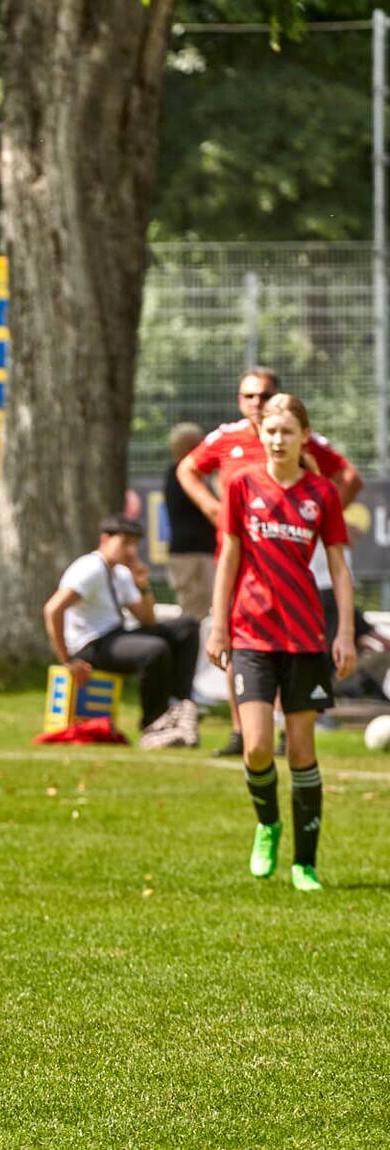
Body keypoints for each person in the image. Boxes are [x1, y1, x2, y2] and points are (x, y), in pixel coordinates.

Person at [206, 394, 355, 892]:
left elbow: (337, 565)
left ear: (303, 437)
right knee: (255, 748)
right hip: (251, 632)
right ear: (259, 434)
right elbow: (228, 558)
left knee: (300, 751)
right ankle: (267, 823)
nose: (277, 440)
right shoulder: (241, 485)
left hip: (305, 635)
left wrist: (347, 633)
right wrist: (218, 625)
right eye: (270, 431)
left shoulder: (322, 494)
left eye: (287, 432)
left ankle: (304, 863)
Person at [176, 367, 361, 756]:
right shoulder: (227, 440)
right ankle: (242, 731)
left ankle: (282, 729)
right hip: (239, 560)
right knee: (236, 646)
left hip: (289, 570)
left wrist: (319, 523)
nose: (257, 403)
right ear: (239, 401)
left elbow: (348, 475)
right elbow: (187, 469)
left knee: (285, 648)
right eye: (249, 396)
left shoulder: (293, 436)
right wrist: (213, 509)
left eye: (264, 395)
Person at [42, 515, 201, 749]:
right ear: (105, 539)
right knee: (154, 650)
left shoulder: (121, 573)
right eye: (125, 542)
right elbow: (52, 609)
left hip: (115, 635)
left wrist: (143, 584)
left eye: (135, 544)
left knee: (186, 628)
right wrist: (67, 660)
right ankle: (153, 724)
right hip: (91, 645)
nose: (131, 550)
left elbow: (147, 620)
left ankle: (178, 706)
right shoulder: (89, 568)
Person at [162, 423, 216, 620]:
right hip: (191, 556)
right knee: (193, 613)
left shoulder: (192, 476)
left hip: (202, 553)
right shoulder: (181, 475)